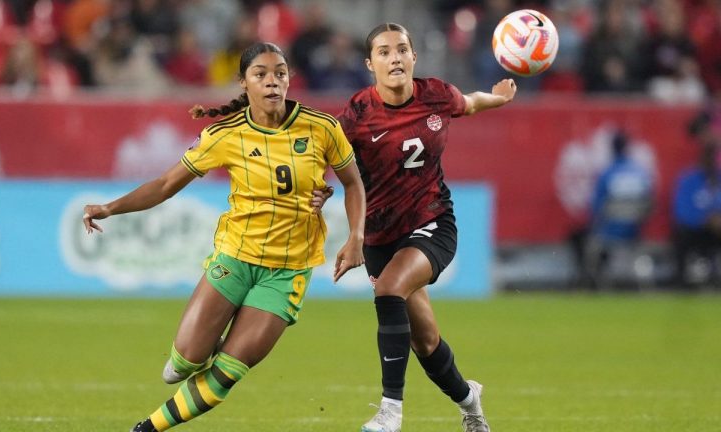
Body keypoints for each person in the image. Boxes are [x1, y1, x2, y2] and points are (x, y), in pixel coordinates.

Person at [81, 42, 366, 432]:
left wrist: (356, 237)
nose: (272, 82)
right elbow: (165, 184)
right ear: (243, 82)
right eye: (261, 74)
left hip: (288, 271)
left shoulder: (322, 127)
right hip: (235, 257)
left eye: (280, 73)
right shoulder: (223, 135)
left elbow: (353, 183)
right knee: (184, 362)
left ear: (290, 79)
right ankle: (192, 353)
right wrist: (110, 207)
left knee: (229, 371)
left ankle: (147, 428)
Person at [336, 22, 516, 432]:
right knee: (426, 343)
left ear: (414, 57)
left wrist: (498, 98)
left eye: (402, 49)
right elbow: (333, 166)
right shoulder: (357, 115)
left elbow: (468, 103)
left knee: (388, 289)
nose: (394, 57)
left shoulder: (435, 93)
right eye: (384, 52)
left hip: (432, 221)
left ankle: (390, 412)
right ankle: (470, 401)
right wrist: (321, 198)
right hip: (382, 236)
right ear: (370, 64)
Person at [568, 129, 654, 288]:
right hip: (634, 231)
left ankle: (594, 283)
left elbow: (595, 207)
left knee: (581, 237)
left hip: (610, 232)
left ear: (612, 149)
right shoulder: (641, 173)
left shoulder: (607, 173)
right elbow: (649, 203)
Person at [671, 112, 721, 286]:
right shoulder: (689, 178)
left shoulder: (718, 178)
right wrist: (705, 220)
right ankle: (681, 281)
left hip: (716, 230)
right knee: (681, 235)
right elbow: (682, 211)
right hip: (696, 229)